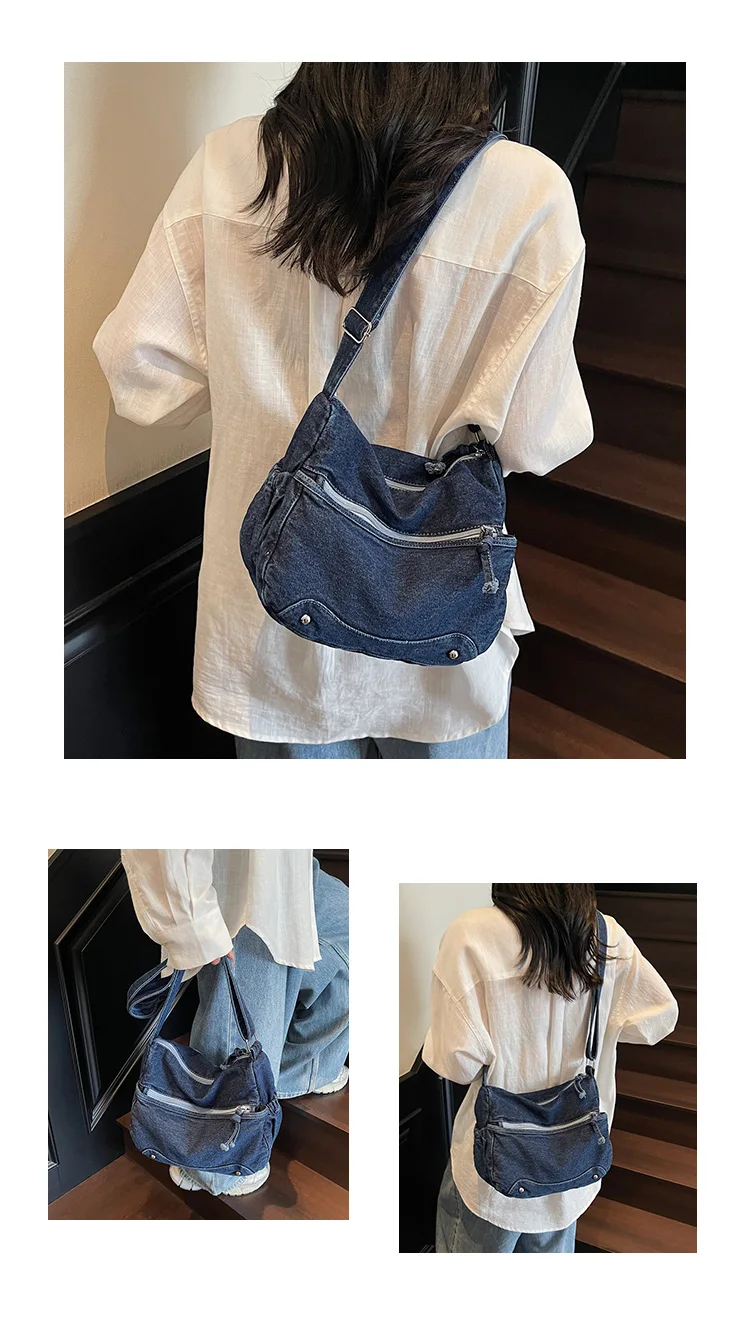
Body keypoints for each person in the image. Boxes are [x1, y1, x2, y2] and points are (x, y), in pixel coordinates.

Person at [94, 64, 592, 759]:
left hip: (267, 628)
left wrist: (256, 379)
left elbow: (143, 378)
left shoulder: (226, 166)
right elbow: (538, 439)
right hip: (436, 621)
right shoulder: (530, 195)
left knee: (284, 829)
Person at [423, 883, 678, 1252]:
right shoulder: (607, 936)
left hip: (493, 1174)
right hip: (572, 1164)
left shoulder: (471, 935)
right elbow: (660, 1017)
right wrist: (601, 1028)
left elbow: (456, 1065)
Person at [121, 849, 349, 1195]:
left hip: (289, 862)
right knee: (244, 979)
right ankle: (211, 1167)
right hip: (242, 873)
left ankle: (293, 1074)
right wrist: (193, 920)